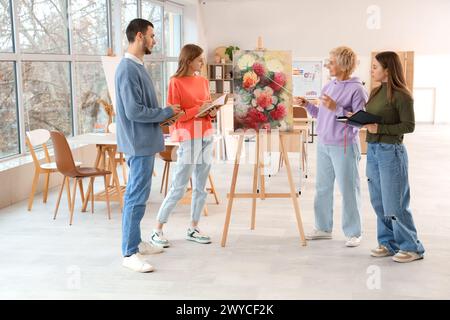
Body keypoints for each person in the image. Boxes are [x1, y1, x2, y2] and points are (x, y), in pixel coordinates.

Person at [115, 18, 181, 272]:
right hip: (138, 143)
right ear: (140, 36)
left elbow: (144, 108)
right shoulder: (128, 69)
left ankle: (136, 243)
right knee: (135, 197)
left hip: (144, 141)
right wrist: (163, 113)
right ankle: (129, 253)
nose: (155, 40)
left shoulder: (137, 67)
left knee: (139, 196)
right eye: (152, 36)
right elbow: (133, 111)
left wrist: (166, 115)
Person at [294, 46, 368, 247]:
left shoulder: (357, 89)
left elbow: (359, 122)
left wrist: (337, 108)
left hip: (343, 146)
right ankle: (323, 228)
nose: (328, 64)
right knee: (322, 188)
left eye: (332, 61)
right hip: (323, 144)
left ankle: (354, 232)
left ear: (343, 65)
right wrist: (307, 106)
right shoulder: (328, 86)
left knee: (348, 189)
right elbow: (322, 115)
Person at [150, 44, 218, 248]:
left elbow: (207, 109)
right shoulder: (175, 82)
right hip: (188, 136)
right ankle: (157, 229)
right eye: (199, 59)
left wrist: (212, 111)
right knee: (179, 186)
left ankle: (193, 227)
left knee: (201, 187)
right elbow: (175, 115)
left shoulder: (203, 81)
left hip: (206, 133)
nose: (202, 62)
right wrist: (200, 108)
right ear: (189, 60)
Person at [364, 51, 425, 263]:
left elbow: (409, 126)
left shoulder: (402, 95)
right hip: (372, 150)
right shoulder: (375, 92)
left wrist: (378, 127)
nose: (372, 70)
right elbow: (374, 118)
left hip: (391, 152)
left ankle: (412, 247)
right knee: (378, 201)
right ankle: (388, 243)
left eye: (375, 67)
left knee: (395, 202)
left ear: (387, 70)